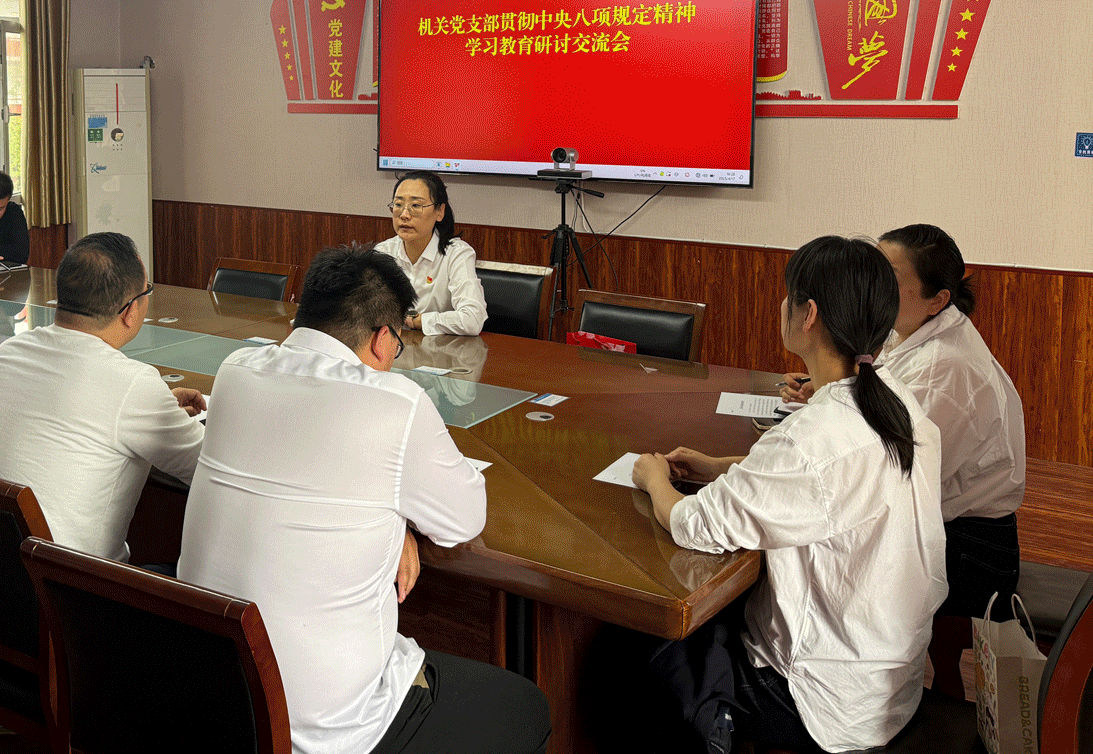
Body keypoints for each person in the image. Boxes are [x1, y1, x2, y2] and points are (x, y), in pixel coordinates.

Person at [179, 245, 549, 754]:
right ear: (382, 339)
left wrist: (395, 520)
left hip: (211, 699)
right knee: (525, 707)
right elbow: (464, 519)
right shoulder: (395, 402)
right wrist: (403, 518)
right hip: (328, 731)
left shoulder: (236, 370)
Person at [614, 235, 946, 754]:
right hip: (888, 678)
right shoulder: (898, 404)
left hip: (823, 697)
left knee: (631, 647)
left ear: (808, 314)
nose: (782, 304)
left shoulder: (811, 438)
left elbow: (694, 525)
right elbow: (823, 482)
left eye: (789, 294)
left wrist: (655, 478)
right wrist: (719, 466)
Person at [780, 224, 1027, 622]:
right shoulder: (915, 327)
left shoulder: (942, 367)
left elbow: (878, 470)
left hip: (969, 551)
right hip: (948, 526)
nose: (871, 284)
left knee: (804, 554)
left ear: (937, 299)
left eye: (887, 277)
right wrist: (826, 385)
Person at [0, 231, 204, 564]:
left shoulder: (9, 352)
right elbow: (209, 469)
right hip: (64, 587)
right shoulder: (133, 385)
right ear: (130, 310)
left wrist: (159, 409)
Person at [375, 171, 486, 336]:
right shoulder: (383, 252)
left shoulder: (457, 254)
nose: (404, 215)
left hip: (441, 349)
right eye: (398, 204)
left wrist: (418, 321)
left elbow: (472, 319)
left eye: (416, 206)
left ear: (439, 211)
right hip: (391, 347)